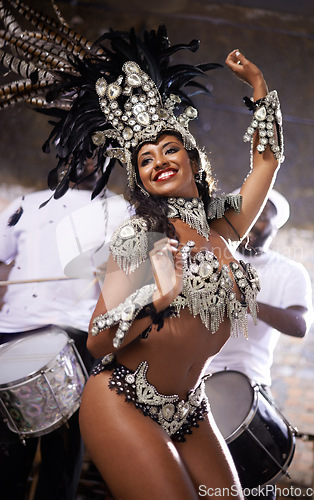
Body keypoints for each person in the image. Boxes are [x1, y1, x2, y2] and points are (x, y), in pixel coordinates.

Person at [0, 6, 285, 498]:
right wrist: (158, 297)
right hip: (122, 397)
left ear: (191, 157)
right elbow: (96, 340)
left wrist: (258, 87)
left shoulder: (224, 225)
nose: (159, 162)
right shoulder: (141, 239)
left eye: (169, 149)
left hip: (189, 407)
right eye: (145, 159)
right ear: (139, 178)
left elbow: (267, 161)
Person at [0, 162, 129, 500]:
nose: (80, 158)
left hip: (75, 339)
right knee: (7, 449)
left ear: (104, 160)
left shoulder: (117, 209)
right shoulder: (26, 204)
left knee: (64, 454)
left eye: (90, 152)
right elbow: (1, 263)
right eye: (72, 150)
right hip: (13, 334)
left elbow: (125, 282)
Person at [206, 189, 314, 497]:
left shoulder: (290, 271)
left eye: (264, 218)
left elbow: (299, 325)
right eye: (250, 215)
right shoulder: (215, 258)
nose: (255, 224)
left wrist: (247, 300)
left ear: (276, 225)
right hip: (196, 383)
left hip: (250, 384)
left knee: (253, 483)